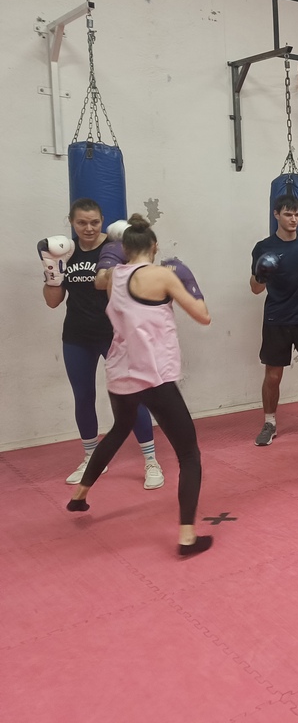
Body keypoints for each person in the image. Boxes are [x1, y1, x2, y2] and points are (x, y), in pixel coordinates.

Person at [66, 215, 213, 557]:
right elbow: (203, 316)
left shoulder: (112, 277)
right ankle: (187, 537)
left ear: (123, 250)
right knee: (189, 455)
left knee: (121, 428)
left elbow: (102, 279)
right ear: (155, 246)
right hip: (155, 376)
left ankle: (80, 495)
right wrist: (188, 280)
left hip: (121, 374)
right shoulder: (162, 275)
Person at [40, 199, 162, 490]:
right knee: (83, 397)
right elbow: (53, 302)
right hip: (76, 336)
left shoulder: (117, 247)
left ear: (102, 220)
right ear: (71, 222)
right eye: (82, 222)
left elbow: (142, 278)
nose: (89, 228)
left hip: (114, 335)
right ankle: (92, 458)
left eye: (94, 222)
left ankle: (151, 461)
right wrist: (52, 274)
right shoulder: (65, 252)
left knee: (131, 397)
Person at [249, 195, 298, 446]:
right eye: (287, 214)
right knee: (273, 376)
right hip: (277, 318)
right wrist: (261, 273)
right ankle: (269, 423)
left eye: (296, 215)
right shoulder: (263, 247)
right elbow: (255, 289)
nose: (293, 219)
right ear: (276, 215)